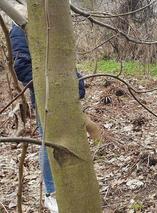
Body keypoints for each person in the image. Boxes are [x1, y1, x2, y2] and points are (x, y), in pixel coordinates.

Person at [9, 5, 85, 212]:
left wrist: (78, 86)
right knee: (50, 142)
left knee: (69, 140)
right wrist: (50, 88)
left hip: (67, 97)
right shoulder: (20, 25)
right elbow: (22, 66)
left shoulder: (52, 25)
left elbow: (66, 61)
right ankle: (52, 193)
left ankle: (71, 184)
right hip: (46, 98)